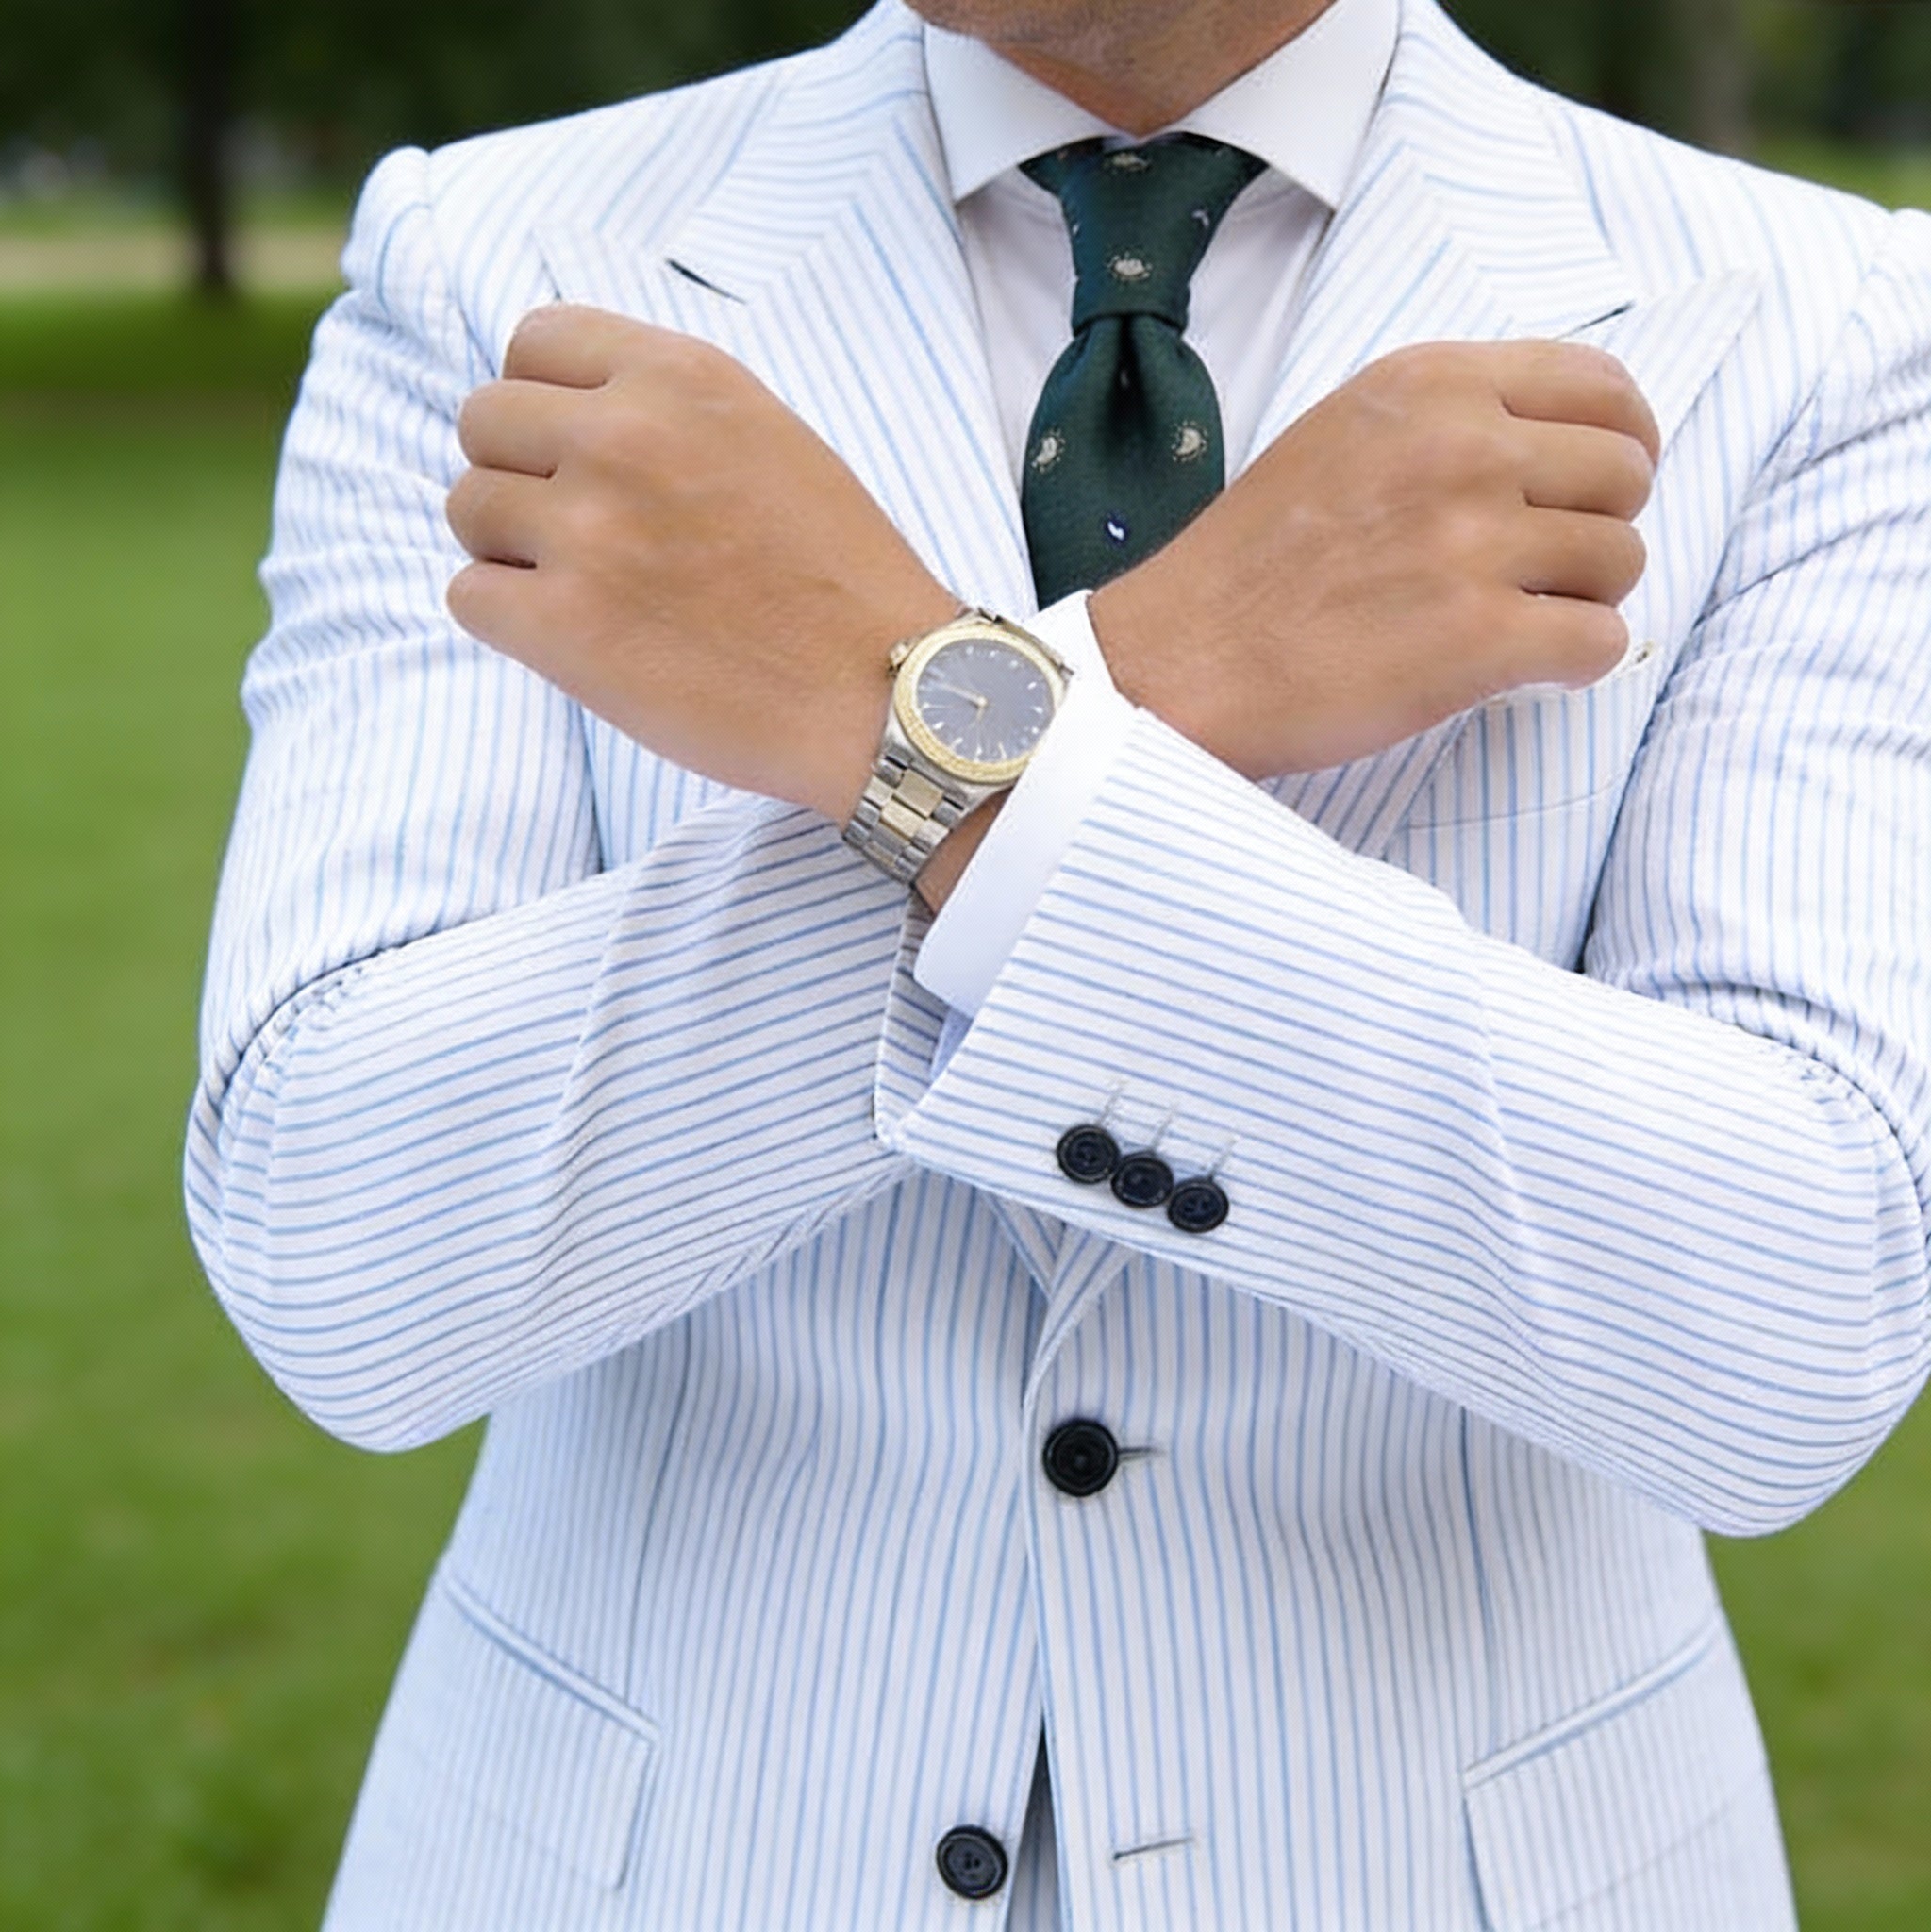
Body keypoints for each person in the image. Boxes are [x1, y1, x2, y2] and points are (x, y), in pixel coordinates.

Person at [184, 0, 1931, 1923]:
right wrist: (1169, 671)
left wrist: (943, 751)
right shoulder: (490, 256)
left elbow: (1778, 1327)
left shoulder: (1826, 314)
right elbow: (342, 1251)